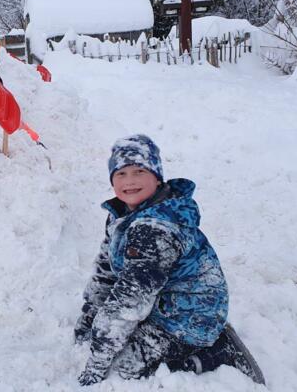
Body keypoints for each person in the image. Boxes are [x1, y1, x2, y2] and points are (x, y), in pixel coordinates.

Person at [74, 134, 264, 386]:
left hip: (190, 316)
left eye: (139, 171)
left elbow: (130, 299)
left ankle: (218, 352)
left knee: (125, 368)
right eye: (121, 174)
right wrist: (89, 317)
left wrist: (98, 361)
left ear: (157, 176)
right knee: (116, 341)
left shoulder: (154, 230)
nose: (129, 181)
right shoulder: (121, 214)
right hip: (163, 302)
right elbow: (105, 272)